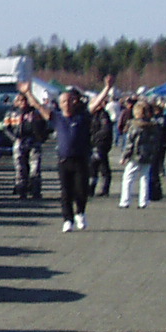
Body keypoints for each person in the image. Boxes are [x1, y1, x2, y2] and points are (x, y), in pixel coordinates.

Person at [53, 88, 93, 232]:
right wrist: (28, 93)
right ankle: (67, 220)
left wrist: (107, 88)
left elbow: (95, 105)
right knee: (66, 192)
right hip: (64, 160)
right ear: (60, 104)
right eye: (64, 101)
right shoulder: (57, 117)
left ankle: (80, 213)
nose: (67, 104)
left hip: (81, 159)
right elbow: (39, 107)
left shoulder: (82, 117)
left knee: (81, 190)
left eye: (70, 101)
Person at [7, 90, 47, 201]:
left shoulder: (36, 113)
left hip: (34, 141)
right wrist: (14, 138)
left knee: (35, 168)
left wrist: (40, 138)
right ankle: (21, 191)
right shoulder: (12, 113)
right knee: (20, 168)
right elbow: (6, 128)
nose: (23, 103)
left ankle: (35, 191)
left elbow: (45, 126)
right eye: (20, 100)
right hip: (19, 141)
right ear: (16, 102)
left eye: (25, 100)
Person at [119, 100, 159, 208]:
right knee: (145, 177)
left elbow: (130, 143)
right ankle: (144, 201)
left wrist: (124, 156)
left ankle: (125, 201)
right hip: (148, 154)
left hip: (135, 155)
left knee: (128, 178)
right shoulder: (153, 126)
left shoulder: (134, 126)